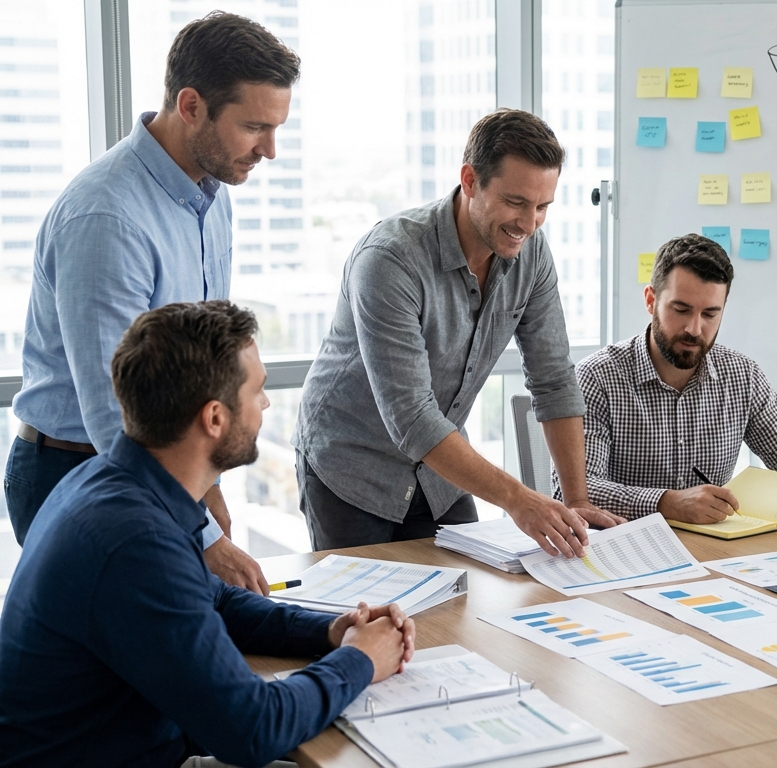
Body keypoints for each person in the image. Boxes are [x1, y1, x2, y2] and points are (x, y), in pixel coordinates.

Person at [0, 301, 415, 767]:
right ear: (214, 418)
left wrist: (329, 631)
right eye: (256, 391)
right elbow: (253, 731)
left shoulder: (115, 481)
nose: (266, 403)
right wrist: (360, 660)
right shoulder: (135, 541)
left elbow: (213, 598)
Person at [3, 11, 297, 593]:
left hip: (164, 466)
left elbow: (209, 363)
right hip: (80, 467)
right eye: (254, 127)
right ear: (191, 106)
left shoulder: (213, 198)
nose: (270, 150)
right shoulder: (107, 217)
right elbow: (114, 411)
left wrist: (207, 487)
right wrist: (204, 536)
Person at [295, 108, 621, 554]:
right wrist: (517, 499)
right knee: (366, 616)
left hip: (439, 476)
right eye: (515, 202)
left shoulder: (531, 252)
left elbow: (554, 379)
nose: (528, 223)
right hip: (352, 469)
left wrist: (577, 500)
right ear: (470, 181)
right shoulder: (390, 260)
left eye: (542, 206)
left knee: (462, 608)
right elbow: (412, 417)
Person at [554, 233, 777, 523]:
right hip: (623, 549)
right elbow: (575, 493)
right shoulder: (597, 377)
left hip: (715, 550)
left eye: (710, 314)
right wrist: (666, 503)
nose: (695, 328)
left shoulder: (742, 377)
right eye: (681, 310)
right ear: (651, 300)